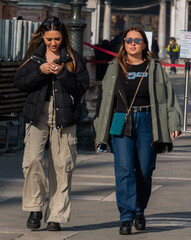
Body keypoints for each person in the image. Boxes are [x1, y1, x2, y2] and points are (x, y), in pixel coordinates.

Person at [93, 27, 182, 235]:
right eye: (129, 40)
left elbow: (167, 97)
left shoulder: (154, 67)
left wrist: (173, 123)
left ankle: (139, 210)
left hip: (147, 121)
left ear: (144, 45)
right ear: (123, 43)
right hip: (121, 120)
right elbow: (105, 101)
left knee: (144, 170)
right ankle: (126, 216)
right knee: (124, 169)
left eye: (137, 40)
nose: (132, 44)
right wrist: (99, 131)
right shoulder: (114, 67)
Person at [15, 16, 89, 231]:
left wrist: (62, 73)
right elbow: (20, 83)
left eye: (56, 39)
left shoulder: (73, 58)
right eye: (49, 39)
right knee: (32, 161)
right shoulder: (34, 57)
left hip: (64, 118)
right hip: (37, 114)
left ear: (63, 36)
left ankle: (56, 215)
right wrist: (41, 72)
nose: (53, 43)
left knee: (62, 166)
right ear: (43, 37)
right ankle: (35, 207)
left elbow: (81, 87)